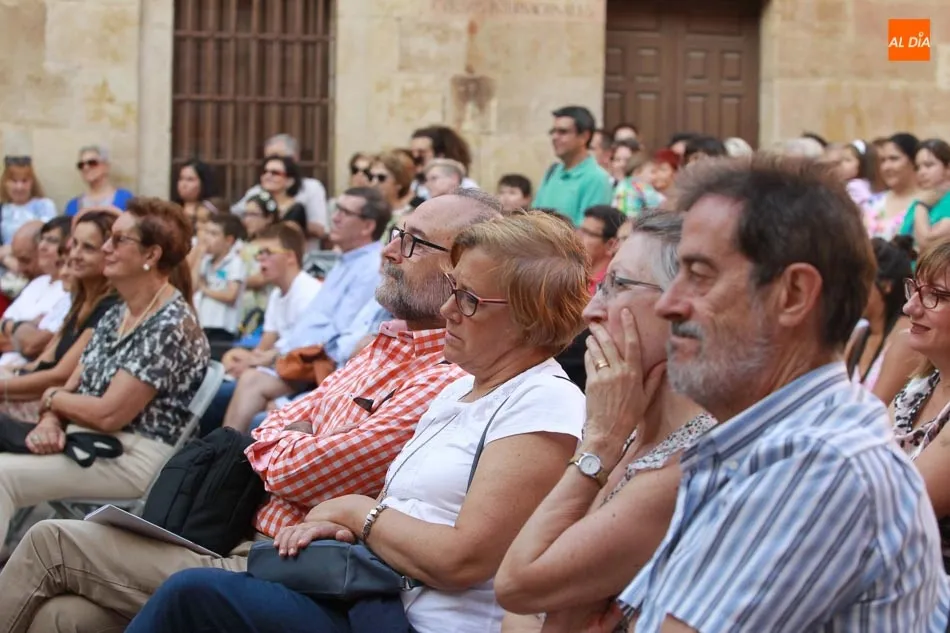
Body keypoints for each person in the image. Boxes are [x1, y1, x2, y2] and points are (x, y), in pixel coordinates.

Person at [0, 189, 502, 632]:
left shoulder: (447, 371)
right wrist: (292, 435)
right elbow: (276, 429)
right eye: (397, 234)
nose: (390, 251)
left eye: (413, 242)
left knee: (50, 541)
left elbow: (306, 473)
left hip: (285, 561)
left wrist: (293, 438)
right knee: (59, 617)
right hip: (235, 531)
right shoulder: (386, 343)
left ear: (463, 269)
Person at [122, 210, 590, 633]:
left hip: (418, 622)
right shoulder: (457, 390)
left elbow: (462, 559)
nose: (447, 310)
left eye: (467, 299)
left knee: (193, 595)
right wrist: (344, 526)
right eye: (452, 291)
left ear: (529, 318)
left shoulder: (543, 400)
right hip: (369, 598)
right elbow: (408, 509)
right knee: (103, 610)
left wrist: (353, 513)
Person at [610, 156, 949, 631]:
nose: (669, 303)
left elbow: (528, 582)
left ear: (793, 294)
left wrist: (599, 446)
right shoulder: (765, 438)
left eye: (700, 275)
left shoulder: (820, 461)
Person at [496, 211, 715, 633]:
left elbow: (517, 586)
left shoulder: (687, 462)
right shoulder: (633, 426)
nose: (592, 309)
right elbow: (521, 614)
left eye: (617, 286)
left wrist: (597, 446)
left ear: (680, 307)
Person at [0, 197, 210, 546]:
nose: (107, 248)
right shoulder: (119, 313)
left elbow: (109, 413)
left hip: (133, 457)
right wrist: (51, 419)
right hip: (90, 439)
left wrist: (53, 399)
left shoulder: (171, 324)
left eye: (118, 240)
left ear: (151, 255)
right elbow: (71, 385)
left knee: (2, 474)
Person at [215, 188, 390, 433]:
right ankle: (220, 459)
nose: (335, 217)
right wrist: (264, 356)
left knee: (243, 388)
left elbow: (336, 336)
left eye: (345, 212)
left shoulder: (370, 267)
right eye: (336, 209)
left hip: (319, 368)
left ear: (367, 226)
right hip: (296, 361)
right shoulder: (345, 261)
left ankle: (222, 461)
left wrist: (273, 357)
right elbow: (308, 326)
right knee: (240, 381)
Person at [0, 211, 119, 423]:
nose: (75, 255)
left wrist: (4, 385)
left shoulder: (109, 307)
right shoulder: (78, 302)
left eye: (88, 248)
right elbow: (40, 363)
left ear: (109, 253)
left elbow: (60, 375)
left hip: (53, 408)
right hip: (34, 393)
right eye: (74, 245)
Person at [888, 239, 950, 573]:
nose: (910, 307)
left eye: (935, 296)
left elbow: (897, 506)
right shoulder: (921, 384)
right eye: (914, 288)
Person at [231, 134, 329, 242]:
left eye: (275, 173)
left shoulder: (311, 187)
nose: (269, 176)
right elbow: (234, 216)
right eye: (265, 171)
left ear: (294, 158)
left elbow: (320, 230)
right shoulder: (256, 192)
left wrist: (287, 220)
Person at [0, 217, 72, 362]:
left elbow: (34, 345)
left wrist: (9, 327)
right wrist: (24, 327)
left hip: (24, 376)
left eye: (52, 241)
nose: (42, 246)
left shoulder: (70, 290)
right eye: (42, 239)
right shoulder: (38, 283)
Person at [532, 106, 613, 225]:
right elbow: (534, 217)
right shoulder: (553, 171)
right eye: (553, 132)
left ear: (584, 136)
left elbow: (588, 234)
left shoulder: (597, 179)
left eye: (563, 132)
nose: (555, 137)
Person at [195, 213, 248, 346]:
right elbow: (192, 286)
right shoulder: (205, 261)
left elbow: (231, 295)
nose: (207, 238)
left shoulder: (235, 263)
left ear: (229, 240)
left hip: (222, 328)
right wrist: (198, 257)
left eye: (213, 234)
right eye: (206, 232)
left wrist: (205, 289)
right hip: (202, 325)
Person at [0, 156, 56, 265]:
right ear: (5, 183)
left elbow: (50, 239)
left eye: (24, 181)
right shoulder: (3, 210)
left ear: (32, 183)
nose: (19, 187)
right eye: (14, 181)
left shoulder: (45, 206)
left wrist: (12, 249)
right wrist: (7, 260)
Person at [64, 145, 135, 217]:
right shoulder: (72, 206)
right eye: (81, 165)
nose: (86, 168)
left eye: (92, 163)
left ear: (106, 166)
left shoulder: (125, 199)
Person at [577, 205, 625, 295]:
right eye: (580, 230)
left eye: (588, 233)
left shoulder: (610, 287)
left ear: (611, 245)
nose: (578, 237)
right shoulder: (574, 277)